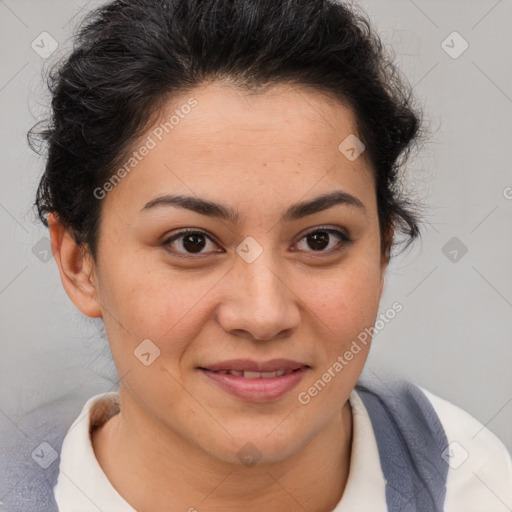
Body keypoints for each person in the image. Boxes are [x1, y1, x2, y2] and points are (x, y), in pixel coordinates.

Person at [1, 0, 510, 510]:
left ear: (382, 249)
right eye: (192, 242)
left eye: (319, 239)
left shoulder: (477, 485)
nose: (264, 315)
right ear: (77, 263)